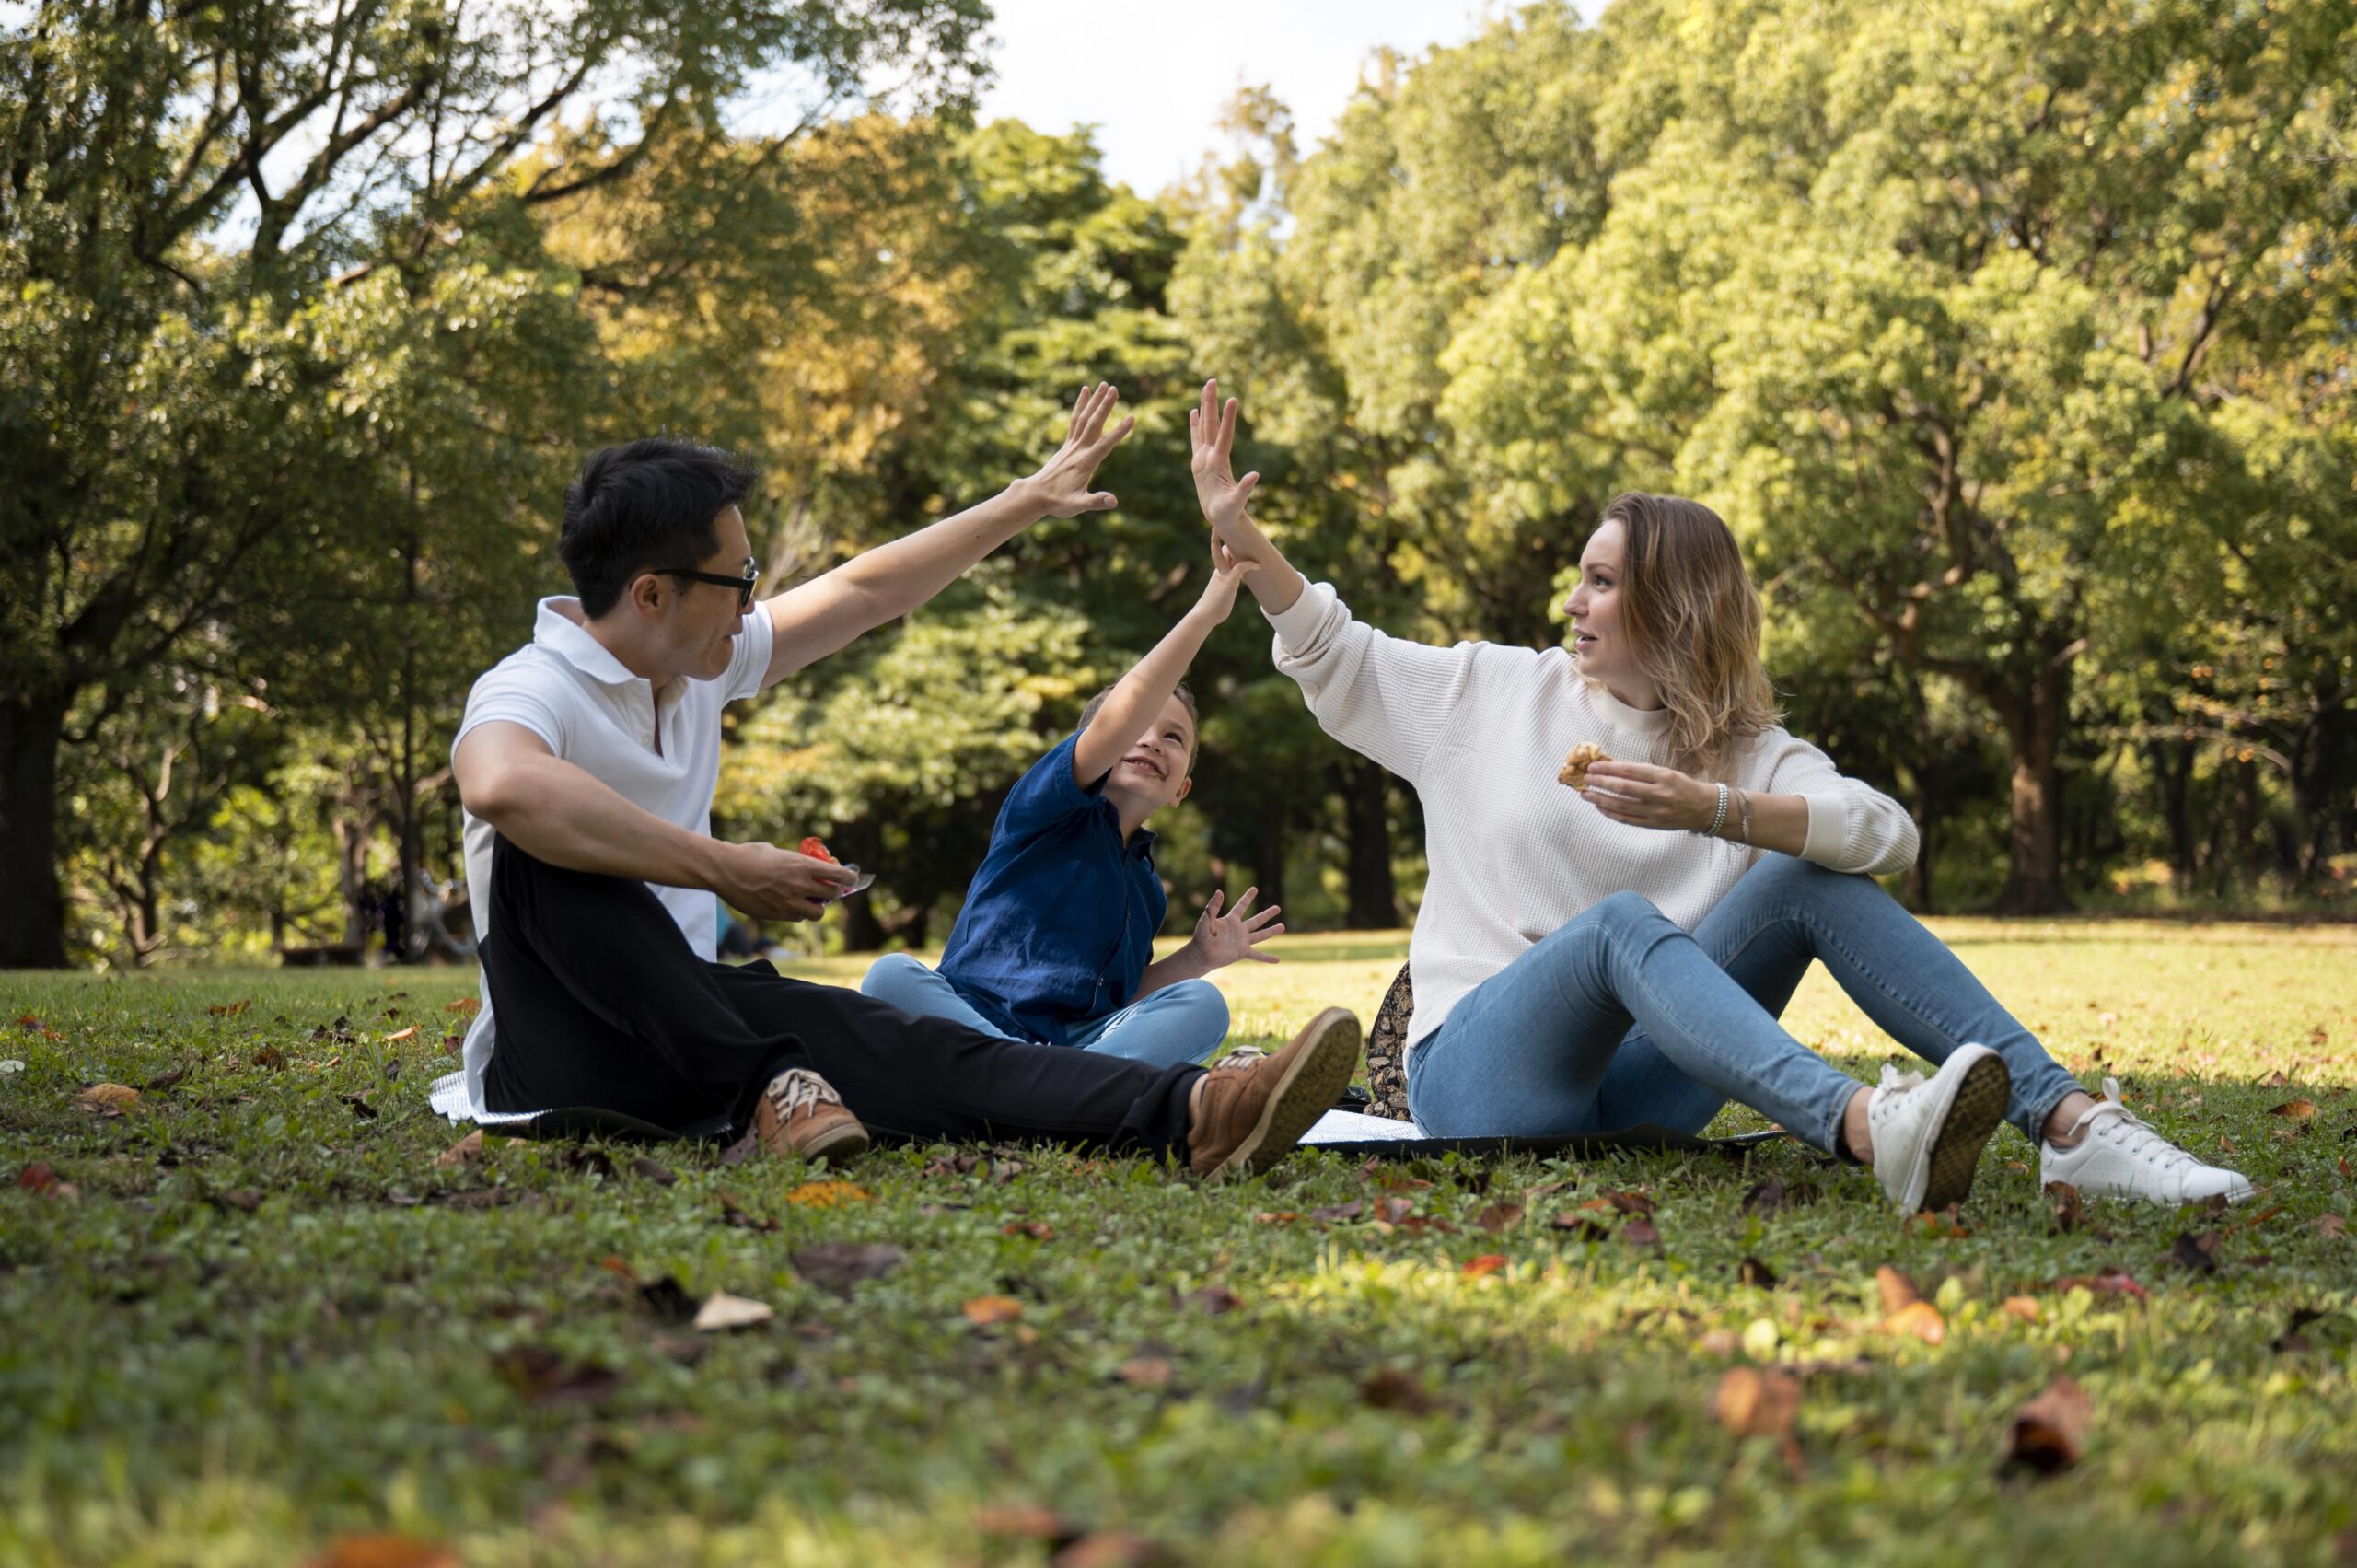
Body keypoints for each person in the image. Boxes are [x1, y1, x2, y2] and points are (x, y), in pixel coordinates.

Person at [1187, 378, 2248, 1211]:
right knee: (1617, 929)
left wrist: (1716, 812)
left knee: (1809, 874)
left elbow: (1886, 834)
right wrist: (1250, 541)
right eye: (1583, 575)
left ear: (1675, 604)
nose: (1574, 599)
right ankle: (1871, 1128)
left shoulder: (1751, 753)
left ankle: (2071, 1129)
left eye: (1602, 580)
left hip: (1640, 1097)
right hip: (1479, 1073)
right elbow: (1336, 650)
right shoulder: (1496, 690)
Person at [438, 386, 1360, 1179]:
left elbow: (863, 594)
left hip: (706, 1025)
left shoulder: (700, 659)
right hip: (565, 1052)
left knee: (927, 1047)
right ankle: (768, 1080)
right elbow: (500, 785)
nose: (756, 603)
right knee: (537, 844)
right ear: (651, 594)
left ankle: (1200, 1111)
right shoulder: (531, 686)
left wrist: (1023, 501)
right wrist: (721, 866)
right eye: (741, 578)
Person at [860, 543, 1283, 1070]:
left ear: (1181, 791)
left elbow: (1118, 1004)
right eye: (1138, 725)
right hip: (973, 1021)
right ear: (1094, 744)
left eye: (1173, 737)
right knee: (891, 977)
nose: (1152, 741)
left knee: (1204, 1006)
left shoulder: (1147, 890)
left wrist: (1198, 958)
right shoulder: (1046, 808)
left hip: (1072, 1047)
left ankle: (1041, 1087)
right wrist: (1202, 616)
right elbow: (1116, 723)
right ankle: (1057, 1088)